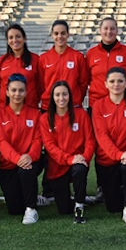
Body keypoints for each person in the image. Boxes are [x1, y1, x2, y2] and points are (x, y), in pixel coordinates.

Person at [91, 67, 126, 224]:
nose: (116, 85)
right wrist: (119, 155)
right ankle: (123, 191)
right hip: (107, 160)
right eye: (112, 81)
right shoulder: (99, 106)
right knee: (113, 207)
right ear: (106, 84)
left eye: (120, 81)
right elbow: (102, 136)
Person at [39, 81, 95, 223]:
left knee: (80, 170)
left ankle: (79, 205)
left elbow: (90, 140)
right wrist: (70, 159)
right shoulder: (45, 118)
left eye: (64, 94)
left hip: (78, 162)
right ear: (52, 97)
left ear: (70, 96)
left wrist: (84, 158)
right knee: (63, 210)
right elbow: (50, 147)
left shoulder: (81, 115)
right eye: (57, 95)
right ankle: (71, 201)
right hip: (58, 166)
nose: (61, 98)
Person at [0, 73, 43, 224]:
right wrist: (18, 159)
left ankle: (31, 209)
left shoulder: (35, 113)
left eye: (21, 90)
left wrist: (30, 157)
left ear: (26, 92)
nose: (17, 94)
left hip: (30, 161)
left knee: (26, 170)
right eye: (13, 90)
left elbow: (38, 140)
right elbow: (2, 142)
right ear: (7, 92)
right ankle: (30, 197)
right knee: (14, 209)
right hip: (9, 165)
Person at [39, 20, 89, 111]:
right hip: (49, 107)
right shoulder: (43, 59)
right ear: (52, 35)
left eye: (63, 33)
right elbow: (41, 85)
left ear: (68, 34)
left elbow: (83, 83)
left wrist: (75, 99)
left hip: (73, 107)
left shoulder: (78, 57)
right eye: (56, 33)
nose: (59, 36)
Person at [86, 17, 126, 108]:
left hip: (122, 104)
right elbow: (86, 79)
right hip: (97, 104)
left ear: (117, 31)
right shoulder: (91, 53)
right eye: (106, 28)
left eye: (112, 29)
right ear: (100, 30)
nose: (109, 32)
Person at [0, 24, 42, 109]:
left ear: (24, 39)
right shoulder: (1, 61)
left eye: (18, 36)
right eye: (11, 37)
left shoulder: (36, 60)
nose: (14, 40)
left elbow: (41, 85)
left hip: (30, 109)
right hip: (5, 110)